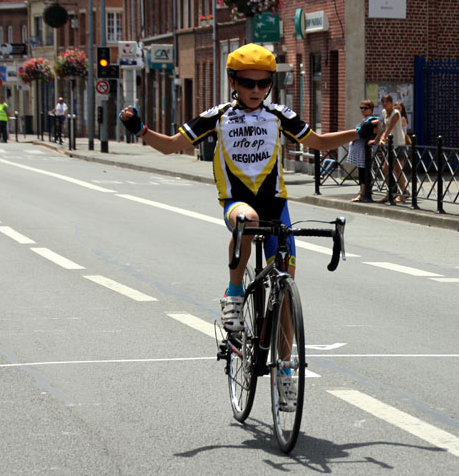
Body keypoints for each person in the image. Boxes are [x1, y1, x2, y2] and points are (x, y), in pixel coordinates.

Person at [119, 43, 377, 410]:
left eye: (263, 83)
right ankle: (234, 293)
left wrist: (357, 133)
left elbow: (317, 142)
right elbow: (172, 145)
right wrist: (140, 129)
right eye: (247, 83)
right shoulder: (218, 116)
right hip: (237, 203)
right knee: (248, 222)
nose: (256, 90)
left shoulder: (279, 114)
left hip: (277, 205)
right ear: (233, 82)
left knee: (286, 283)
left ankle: (284, 369)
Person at [377, 94, 407, 203]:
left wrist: (383, 138)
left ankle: (401, 194)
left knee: (398, 169)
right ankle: (389, 192)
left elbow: (390, 129)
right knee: (386, 169)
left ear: (391, 102)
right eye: (382, 102)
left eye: (386, 102)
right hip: (389, 144)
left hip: (398, 143)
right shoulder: (384, 113)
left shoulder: (396, 113)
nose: (384, 104)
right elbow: (384, 127)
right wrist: (381, 138)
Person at [348, 100, 380, 202]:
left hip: (365, 148)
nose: (363, 110)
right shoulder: (365, 119)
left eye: (365, 108)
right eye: (361, 108)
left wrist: (375, 140)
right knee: (361, 170)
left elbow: (377, 127)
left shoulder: (372, 119)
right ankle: (362, 192)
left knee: (365, 170)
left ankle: (365, 193)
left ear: (371, 109)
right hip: (358, 148)